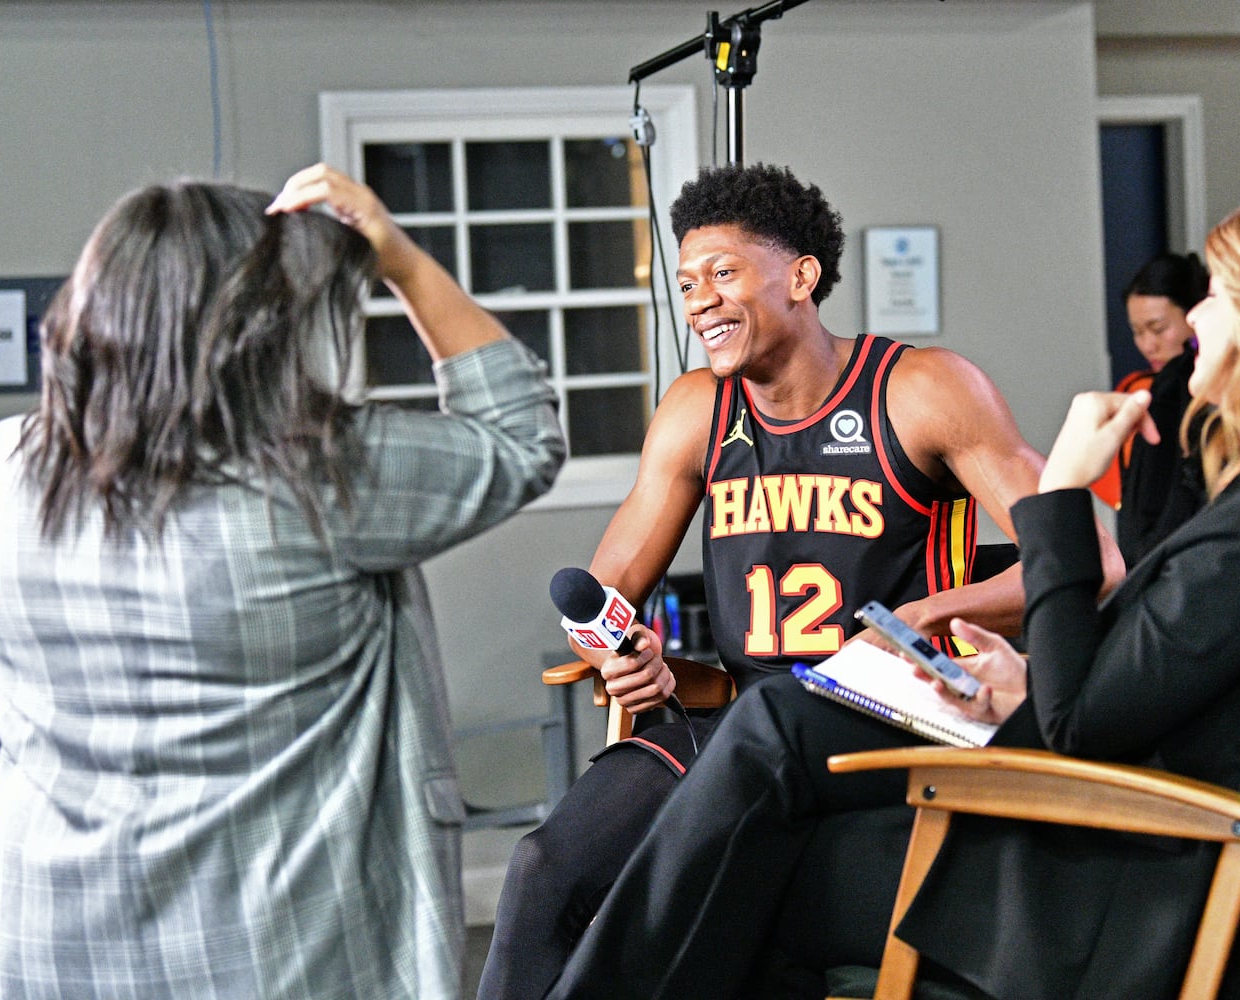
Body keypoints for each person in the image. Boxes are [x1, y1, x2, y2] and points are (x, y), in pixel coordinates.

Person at [544, 190, 1240, 1000]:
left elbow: (1082, 725)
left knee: (754, 850)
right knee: (768, 772)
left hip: (1145, 891)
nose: (1196, 317)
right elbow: (1176, 689)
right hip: (1227, 869)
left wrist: (1063, 492)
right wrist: (1016, 686)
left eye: (1221, 295)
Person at [477, 162, 1123, 999]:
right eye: (685, 282)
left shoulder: (920, 390)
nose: (699, 299)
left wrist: (921, 613)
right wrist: (618, 650)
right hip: (737, 719)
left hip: (886, 724)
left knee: (710, 904)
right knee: (544, 869)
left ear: (801, 277)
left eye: (722, 272)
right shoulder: (695, 410)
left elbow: (1090, 563)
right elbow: (606, 590)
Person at [0, 165, 565, 999]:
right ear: (263, 327)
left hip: (56, 948)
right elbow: (521, 437)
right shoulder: (317, 471)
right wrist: (404, 264)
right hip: (283, 952)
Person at [1094, 252, 1211, 564]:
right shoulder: (1138, 389)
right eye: (1137, 331)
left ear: (1195, 314)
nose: (1148, 345)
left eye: (1158, 328)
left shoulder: (1195, 391)